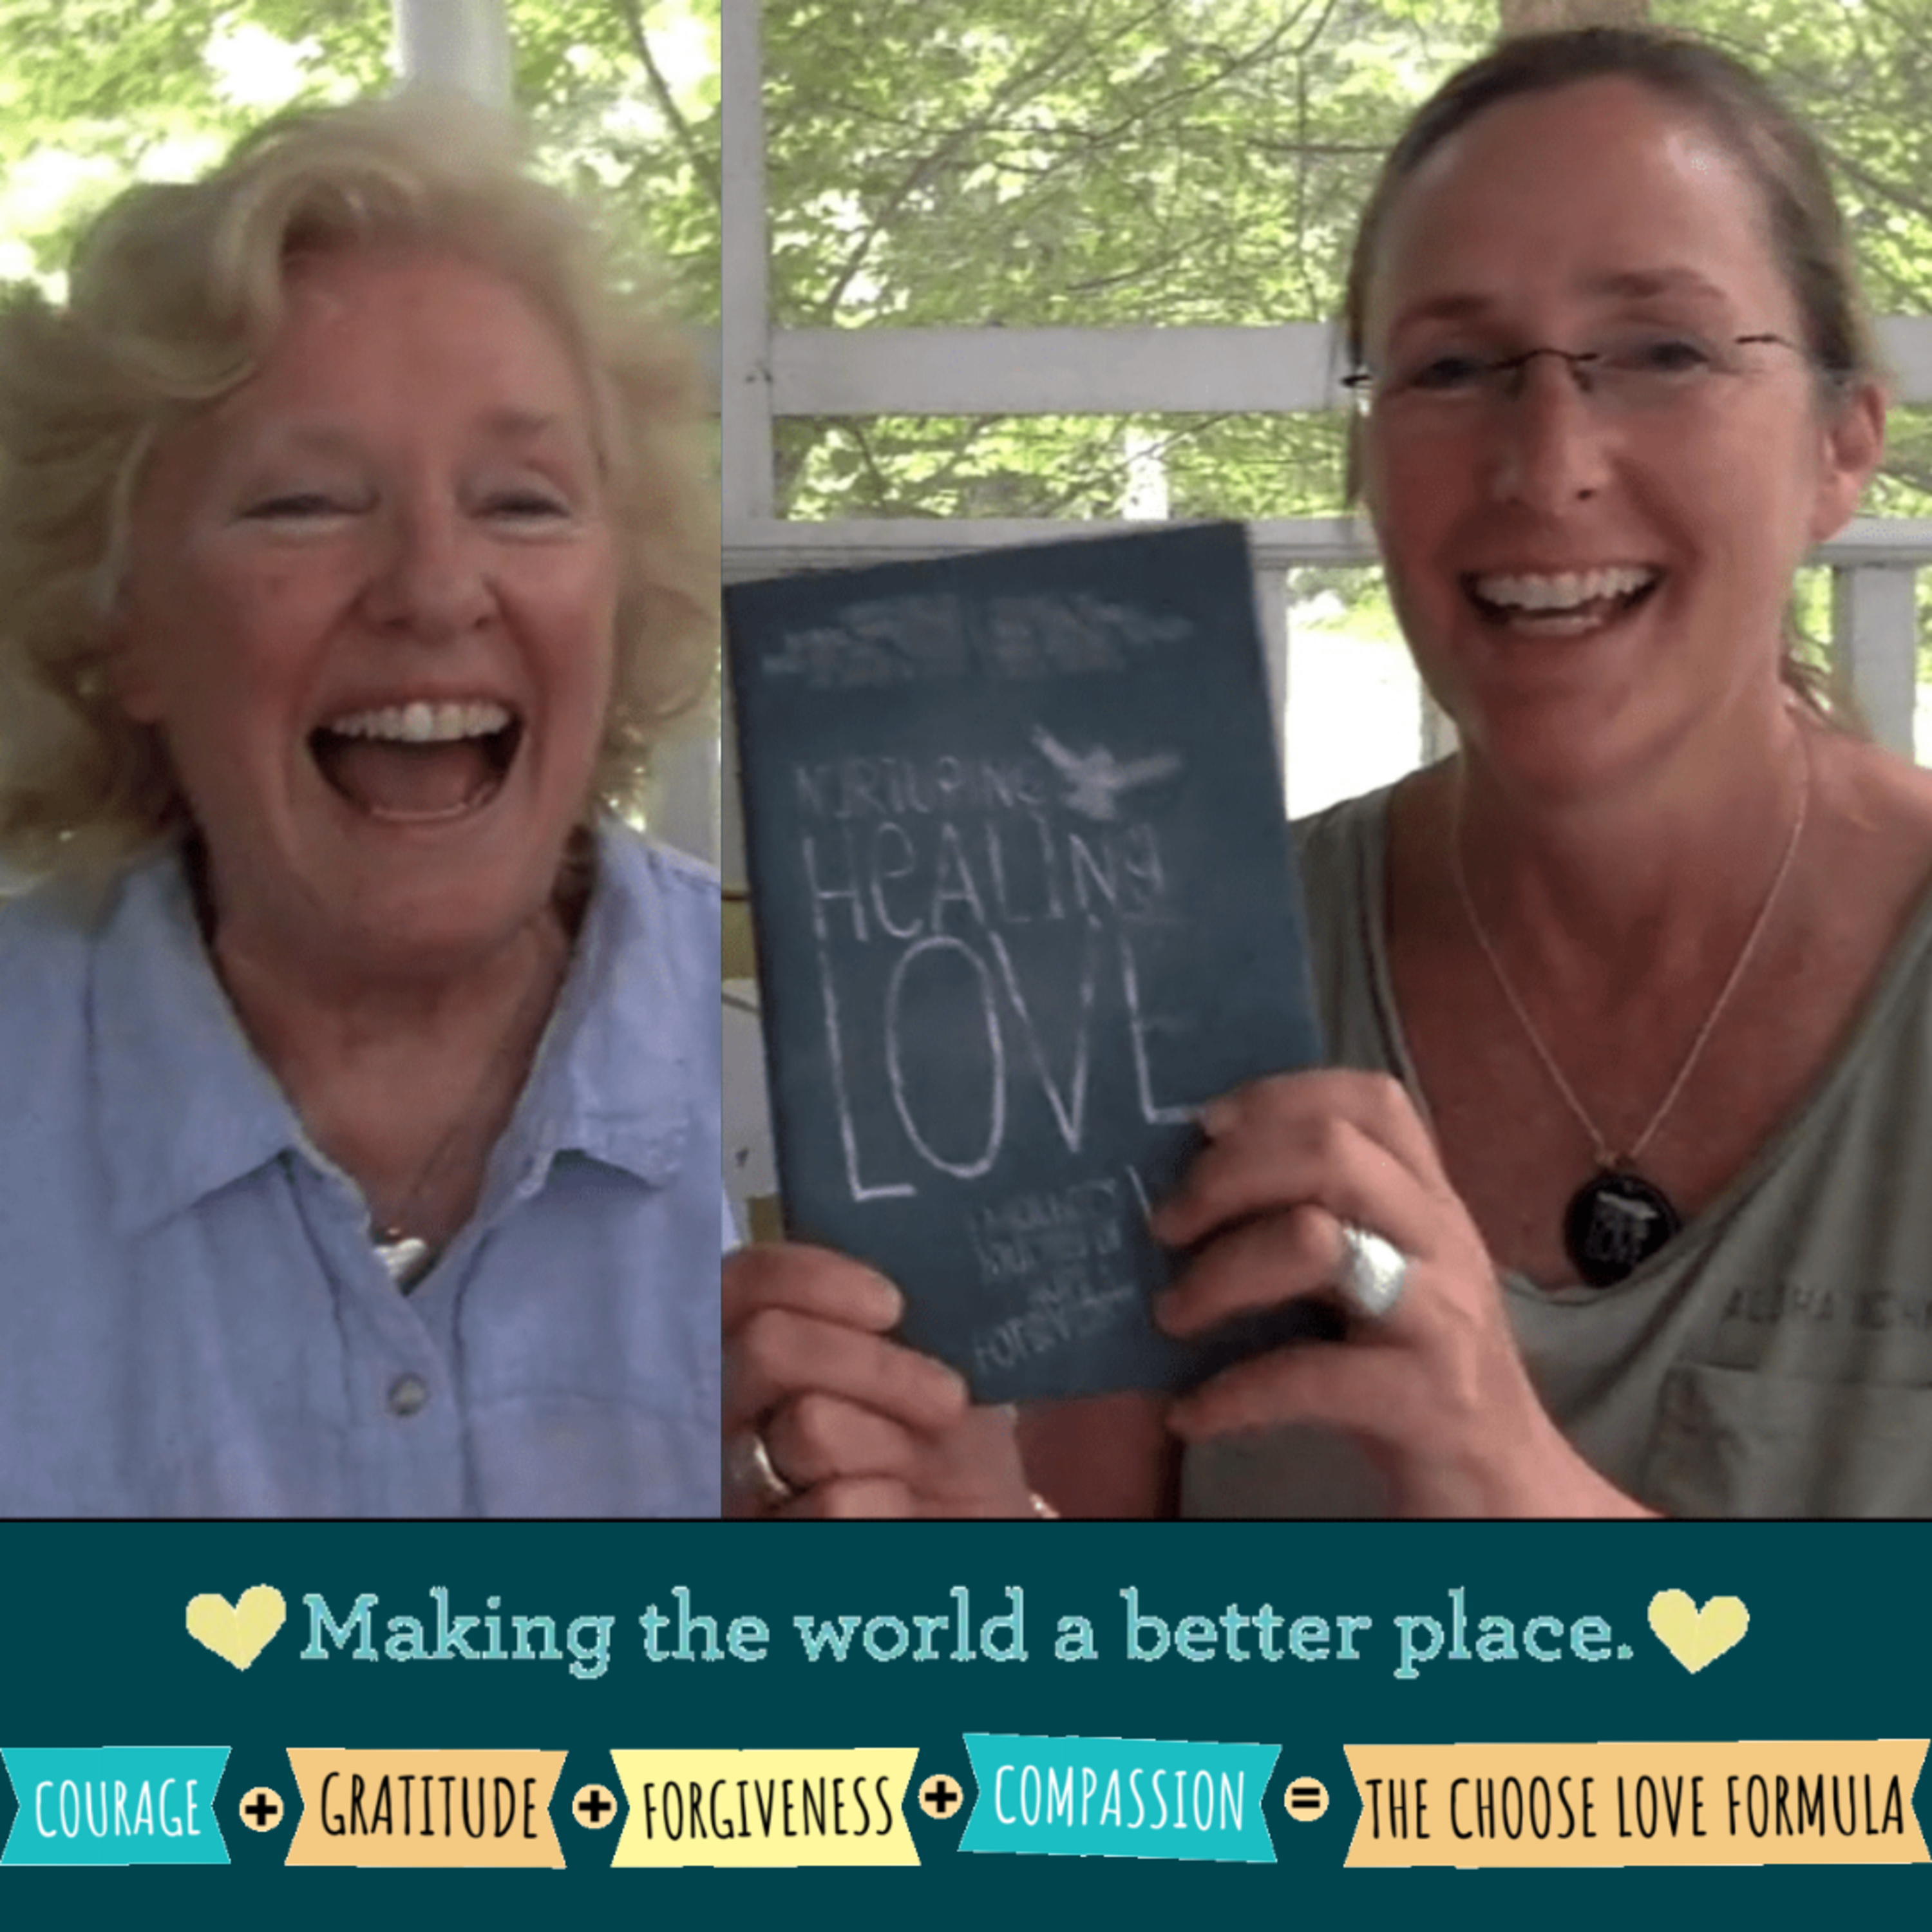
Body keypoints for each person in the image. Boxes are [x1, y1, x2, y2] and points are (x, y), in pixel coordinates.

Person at [723, 24, 1932, 1520]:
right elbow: (1106, 1658)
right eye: (1452, 368)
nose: (1548, 460)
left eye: (1664, 352)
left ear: (1843, 445)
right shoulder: (1184, 975)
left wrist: (1509, 1482)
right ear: (1366, 464)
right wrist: (948, 1548)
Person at [0, 90, 723, 1516]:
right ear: (120, 621)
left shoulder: (853, 1070)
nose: (436, 591)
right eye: (307, 504)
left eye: (521, 503)